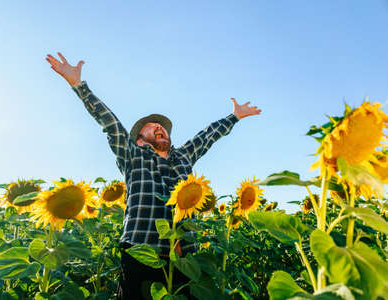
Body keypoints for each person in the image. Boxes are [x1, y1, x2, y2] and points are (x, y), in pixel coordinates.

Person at [45, 52, 261, 300]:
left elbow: (207, 136)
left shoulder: (183, 157)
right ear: (139, 138)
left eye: (162, 126)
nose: (159, 127)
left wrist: (234, 116)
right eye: (152, 125)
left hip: (183, 256)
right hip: (140, 251)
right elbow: (110, 123)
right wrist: (78, 85)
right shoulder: (133, 156)